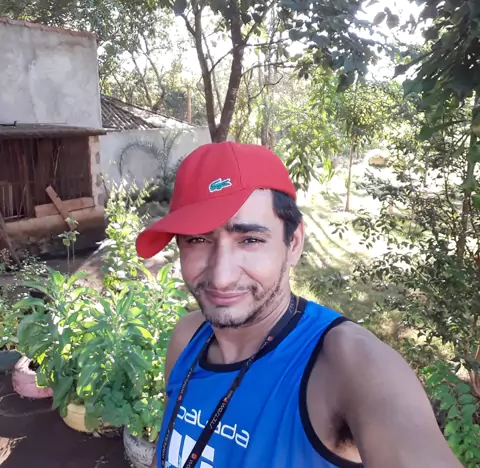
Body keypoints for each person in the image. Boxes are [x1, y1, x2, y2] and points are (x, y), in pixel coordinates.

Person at [136, 141, 462, 468]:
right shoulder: (188, 338)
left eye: (250, 240)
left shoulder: (350, 366)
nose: (221, 277)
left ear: (293, 243)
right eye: (198, 240)